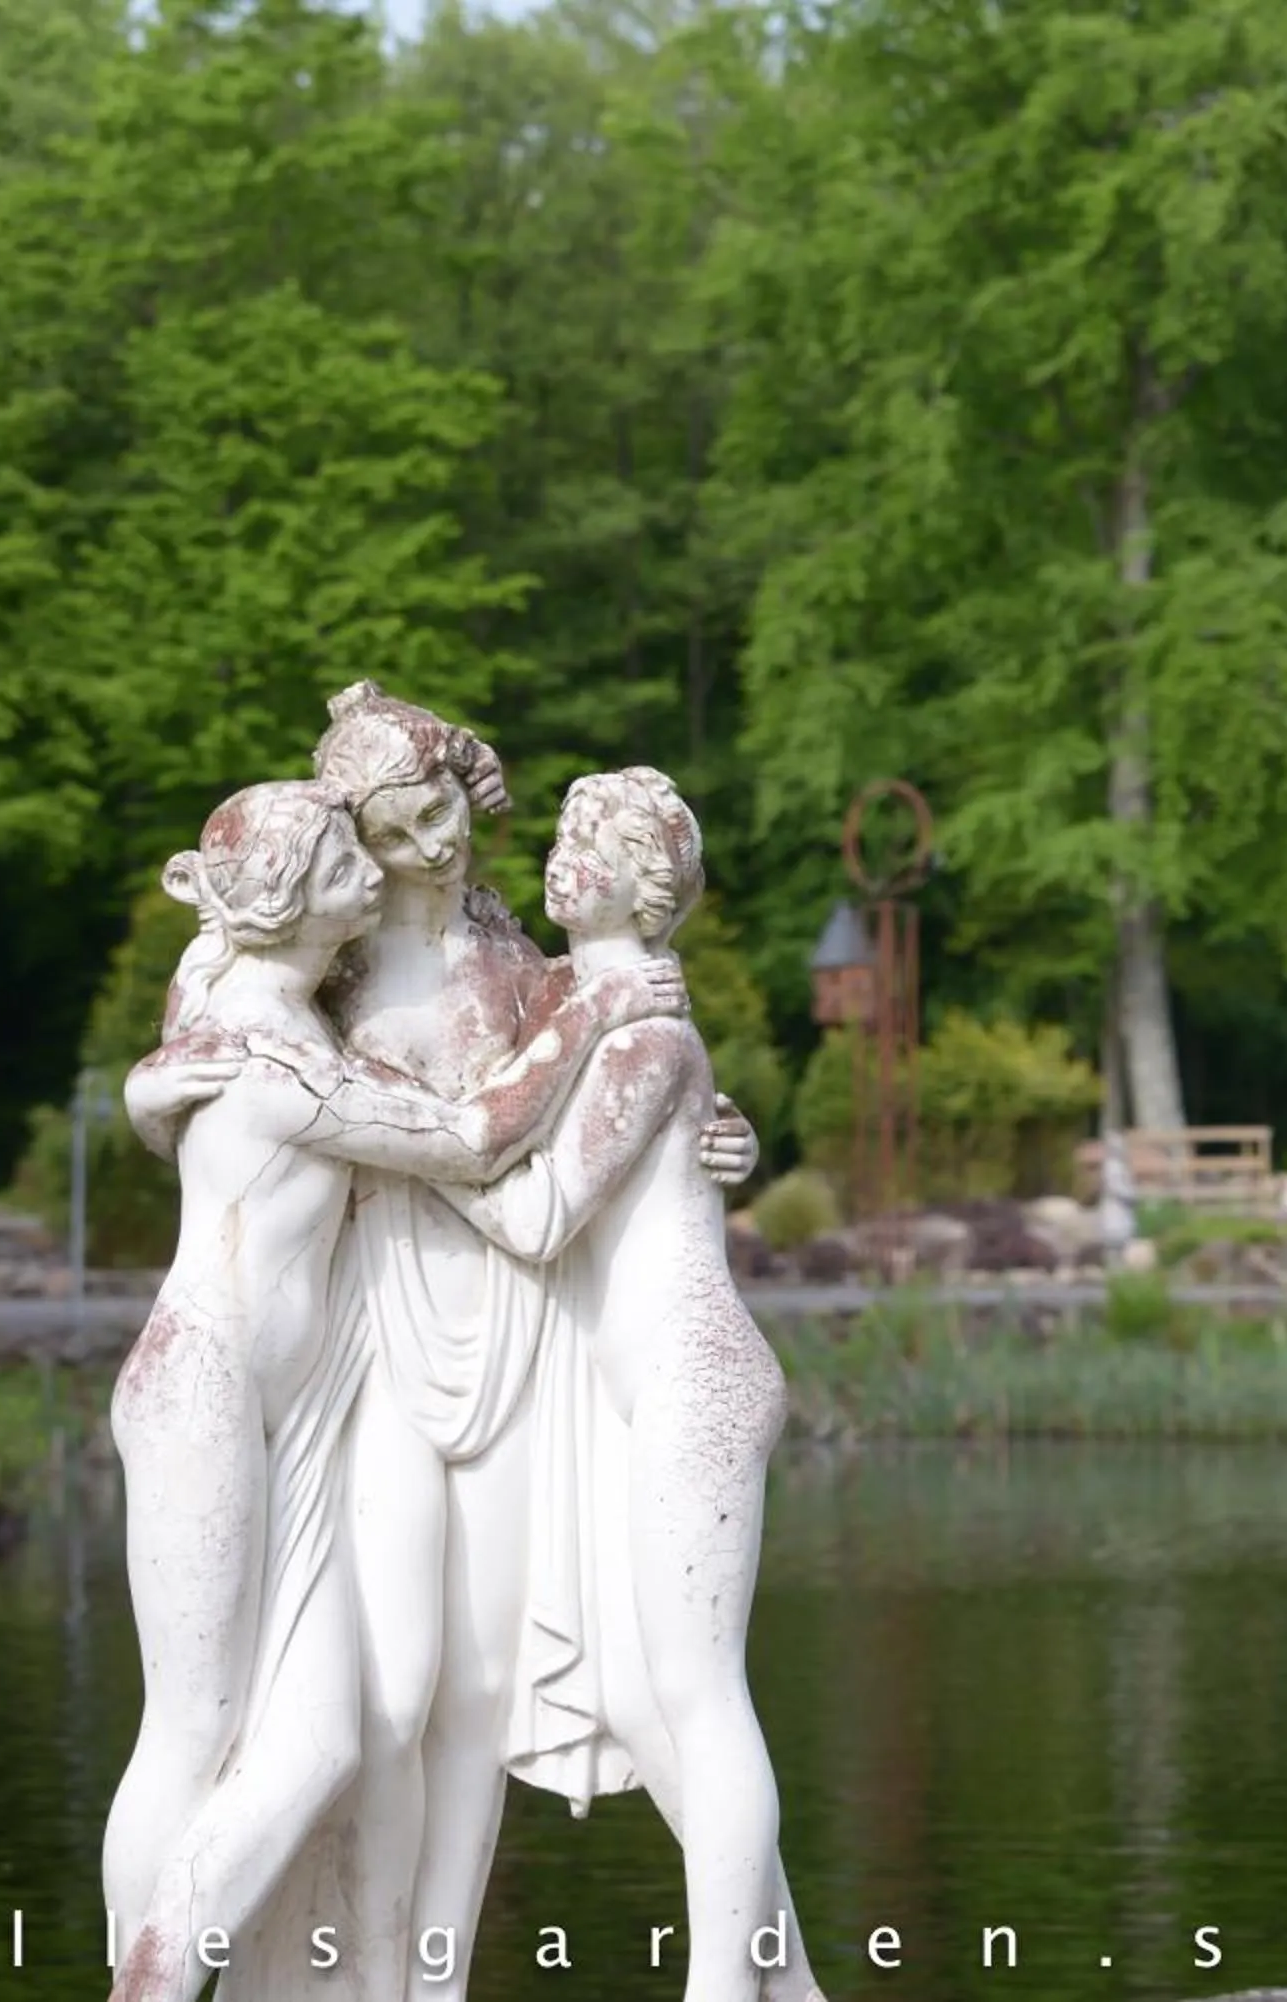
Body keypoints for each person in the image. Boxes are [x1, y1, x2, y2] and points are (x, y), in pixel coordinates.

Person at [100, 781, 674, 2002]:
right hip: (206, 1388)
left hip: (302, 1407)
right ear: (292, 902)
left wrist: (688, 1110)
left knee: (316, 1739)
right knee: (194, 1729)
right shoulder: (275, 1054)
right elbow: (470, 1137)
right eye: (343, 861)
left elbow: (159, 1085)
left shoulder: (249, 1003)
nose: (376, 867)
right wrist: (606, 1011)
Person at [440, 769, 824, 2002]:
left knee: (701, 1702)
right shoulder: (604, 1009)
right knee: (643, 1700)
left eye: (587, 844)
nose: (560, 859)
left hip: (693, 1383)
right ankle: (791, 1984)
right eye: (558, 835)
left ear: (643, 881)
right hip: (651, 1390)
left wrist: (382, 1137)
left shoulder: (646, 1034)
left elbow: (542, 1212)